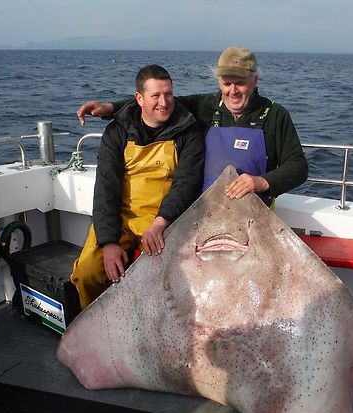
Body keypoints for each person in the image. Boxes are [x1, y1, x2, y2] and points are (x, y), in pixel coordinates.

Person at [77, 47, 308, 208]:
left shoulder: (275, 114)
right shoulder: (205, 105)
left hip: (255, 211)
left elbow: (298, 166)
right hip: (205, 208)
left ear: (255, 81)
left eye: (241, 83)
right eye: (227, 83)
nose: (233, 91)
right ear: (218, 81)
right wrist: (109, 108)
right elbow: (159, 105)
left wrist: (261, 182)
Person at [72, 64, 204, 309]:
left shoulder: (188, 130)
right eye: (155, 95)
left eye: (168, 94)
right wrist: (109, 242)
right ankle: (94, 334)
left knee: (167, 280)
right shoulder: (117, 132)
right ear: (139, 99)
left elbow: (186, 184)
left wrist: (161, 221)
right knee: (88, 273)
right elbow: (106, 189)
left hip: (162, 220)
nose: (164, 102)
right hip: (121, 220)